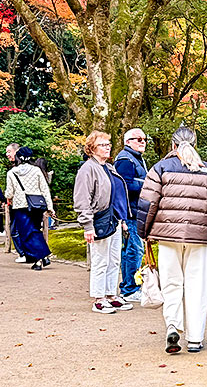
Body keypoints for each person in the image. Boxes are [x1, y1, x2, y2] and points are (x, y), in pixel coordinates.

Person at [138, 126, 207, 354]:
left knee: (171, 284)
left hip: (167, 237)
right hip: (198, 238)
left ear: (172, 145)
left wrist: (144, 232)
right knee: (197, 286)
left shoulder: (160, 168)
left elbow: (148, 203)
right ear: (194, 144)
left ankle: (173, 326)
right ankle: (195, 338)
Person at [73, 131, 132, 314]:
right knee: (100, 260)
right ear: (92, 148)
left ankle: (111, 294)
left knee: (114, 259)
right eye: (102, 145)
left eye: (109, 144)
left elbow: (116, 195)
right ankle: (99, 299)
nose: (107, 147)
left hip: (113, 219)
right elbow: (82, 198)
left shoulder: (108, 167)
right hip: (99, 219)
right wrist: (87, 226)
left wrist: (122, 219)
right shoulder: (87, 169)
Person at [5, 147, 54, 270]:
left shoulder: (12, 173)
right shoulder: (37, 170)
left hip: (21, 206)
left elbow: (9, 193)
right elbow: (44, 189)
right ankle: (44, 257)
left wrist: (7, 196)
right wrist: (50, 206)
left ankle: (39, 259)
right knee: (35, 230)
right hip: (36, 204)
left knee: (27, 233)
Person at [114, 128, 148, 303]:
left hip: (136, 211)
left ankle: (129, 286)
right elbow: (123, 185)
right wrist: (147, 184)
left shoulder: (136, 159)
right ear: (128, 142)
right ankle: (130, 289)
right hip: (130, 213)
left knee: (131, 250)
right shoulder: (125, 160)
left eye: (144, 139)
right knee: (134, 250)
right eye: (138, 139)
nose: (142, 141)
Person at [6, 143, 26, 263]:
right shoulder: (33, 168)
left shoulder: (14, 171)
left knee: (16, 230)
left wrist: (7, 196)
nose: (7, 154)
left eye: (9, 151)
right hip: (30, 202)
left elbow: (9, 192)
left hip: (18, 204)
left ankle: (24, 253)